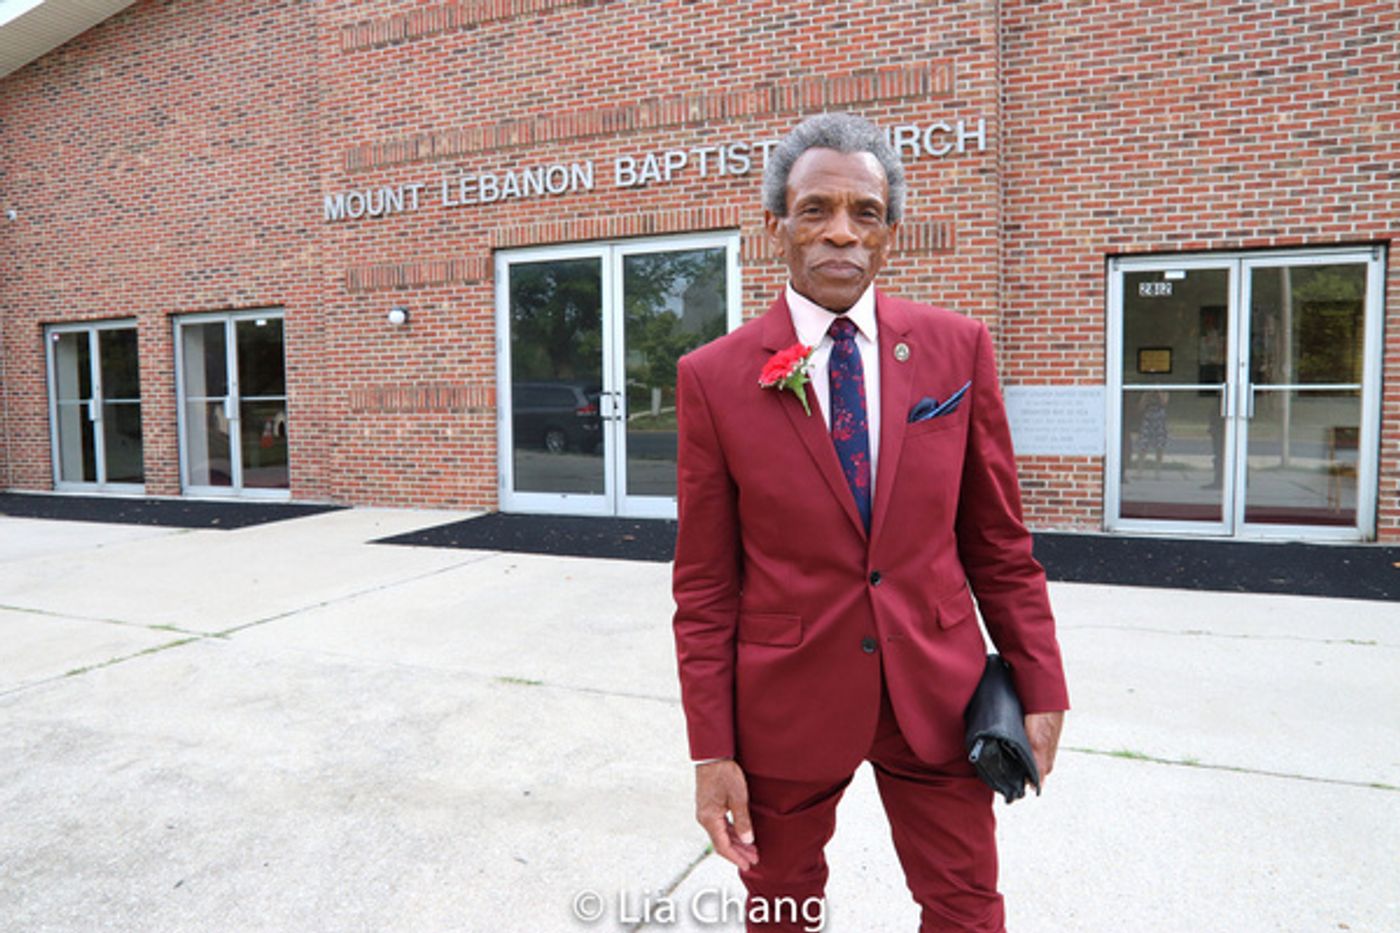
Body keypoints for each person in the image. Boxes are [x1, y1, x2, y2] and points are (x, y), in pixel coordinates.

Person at [671, 112, 1069, 932]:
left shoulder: (957, 349)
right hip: (786, 706)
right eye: (816, 210)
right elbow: (706, 583)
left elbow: (998, 541)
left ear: (891, 231)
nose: (841, 234)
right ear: (776, 225)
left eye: (865, 213)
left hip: (939, 690)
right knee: (780, 911)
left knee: (966, 906)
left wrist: (1042, 679)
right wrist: (712, 750)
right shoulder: (711, 378)